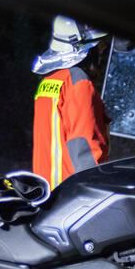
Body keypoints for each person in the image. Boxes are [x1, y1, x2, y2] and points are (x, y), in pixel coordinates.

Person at [32, 16, 111, 187]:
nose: (102, 52)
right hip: (73, 196)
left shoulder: (49, 81)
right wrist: (98, 190)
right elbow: (87, 150)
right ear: (84, 50)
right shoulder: (80, 84)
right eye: (100, 46)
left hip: (47, 194)